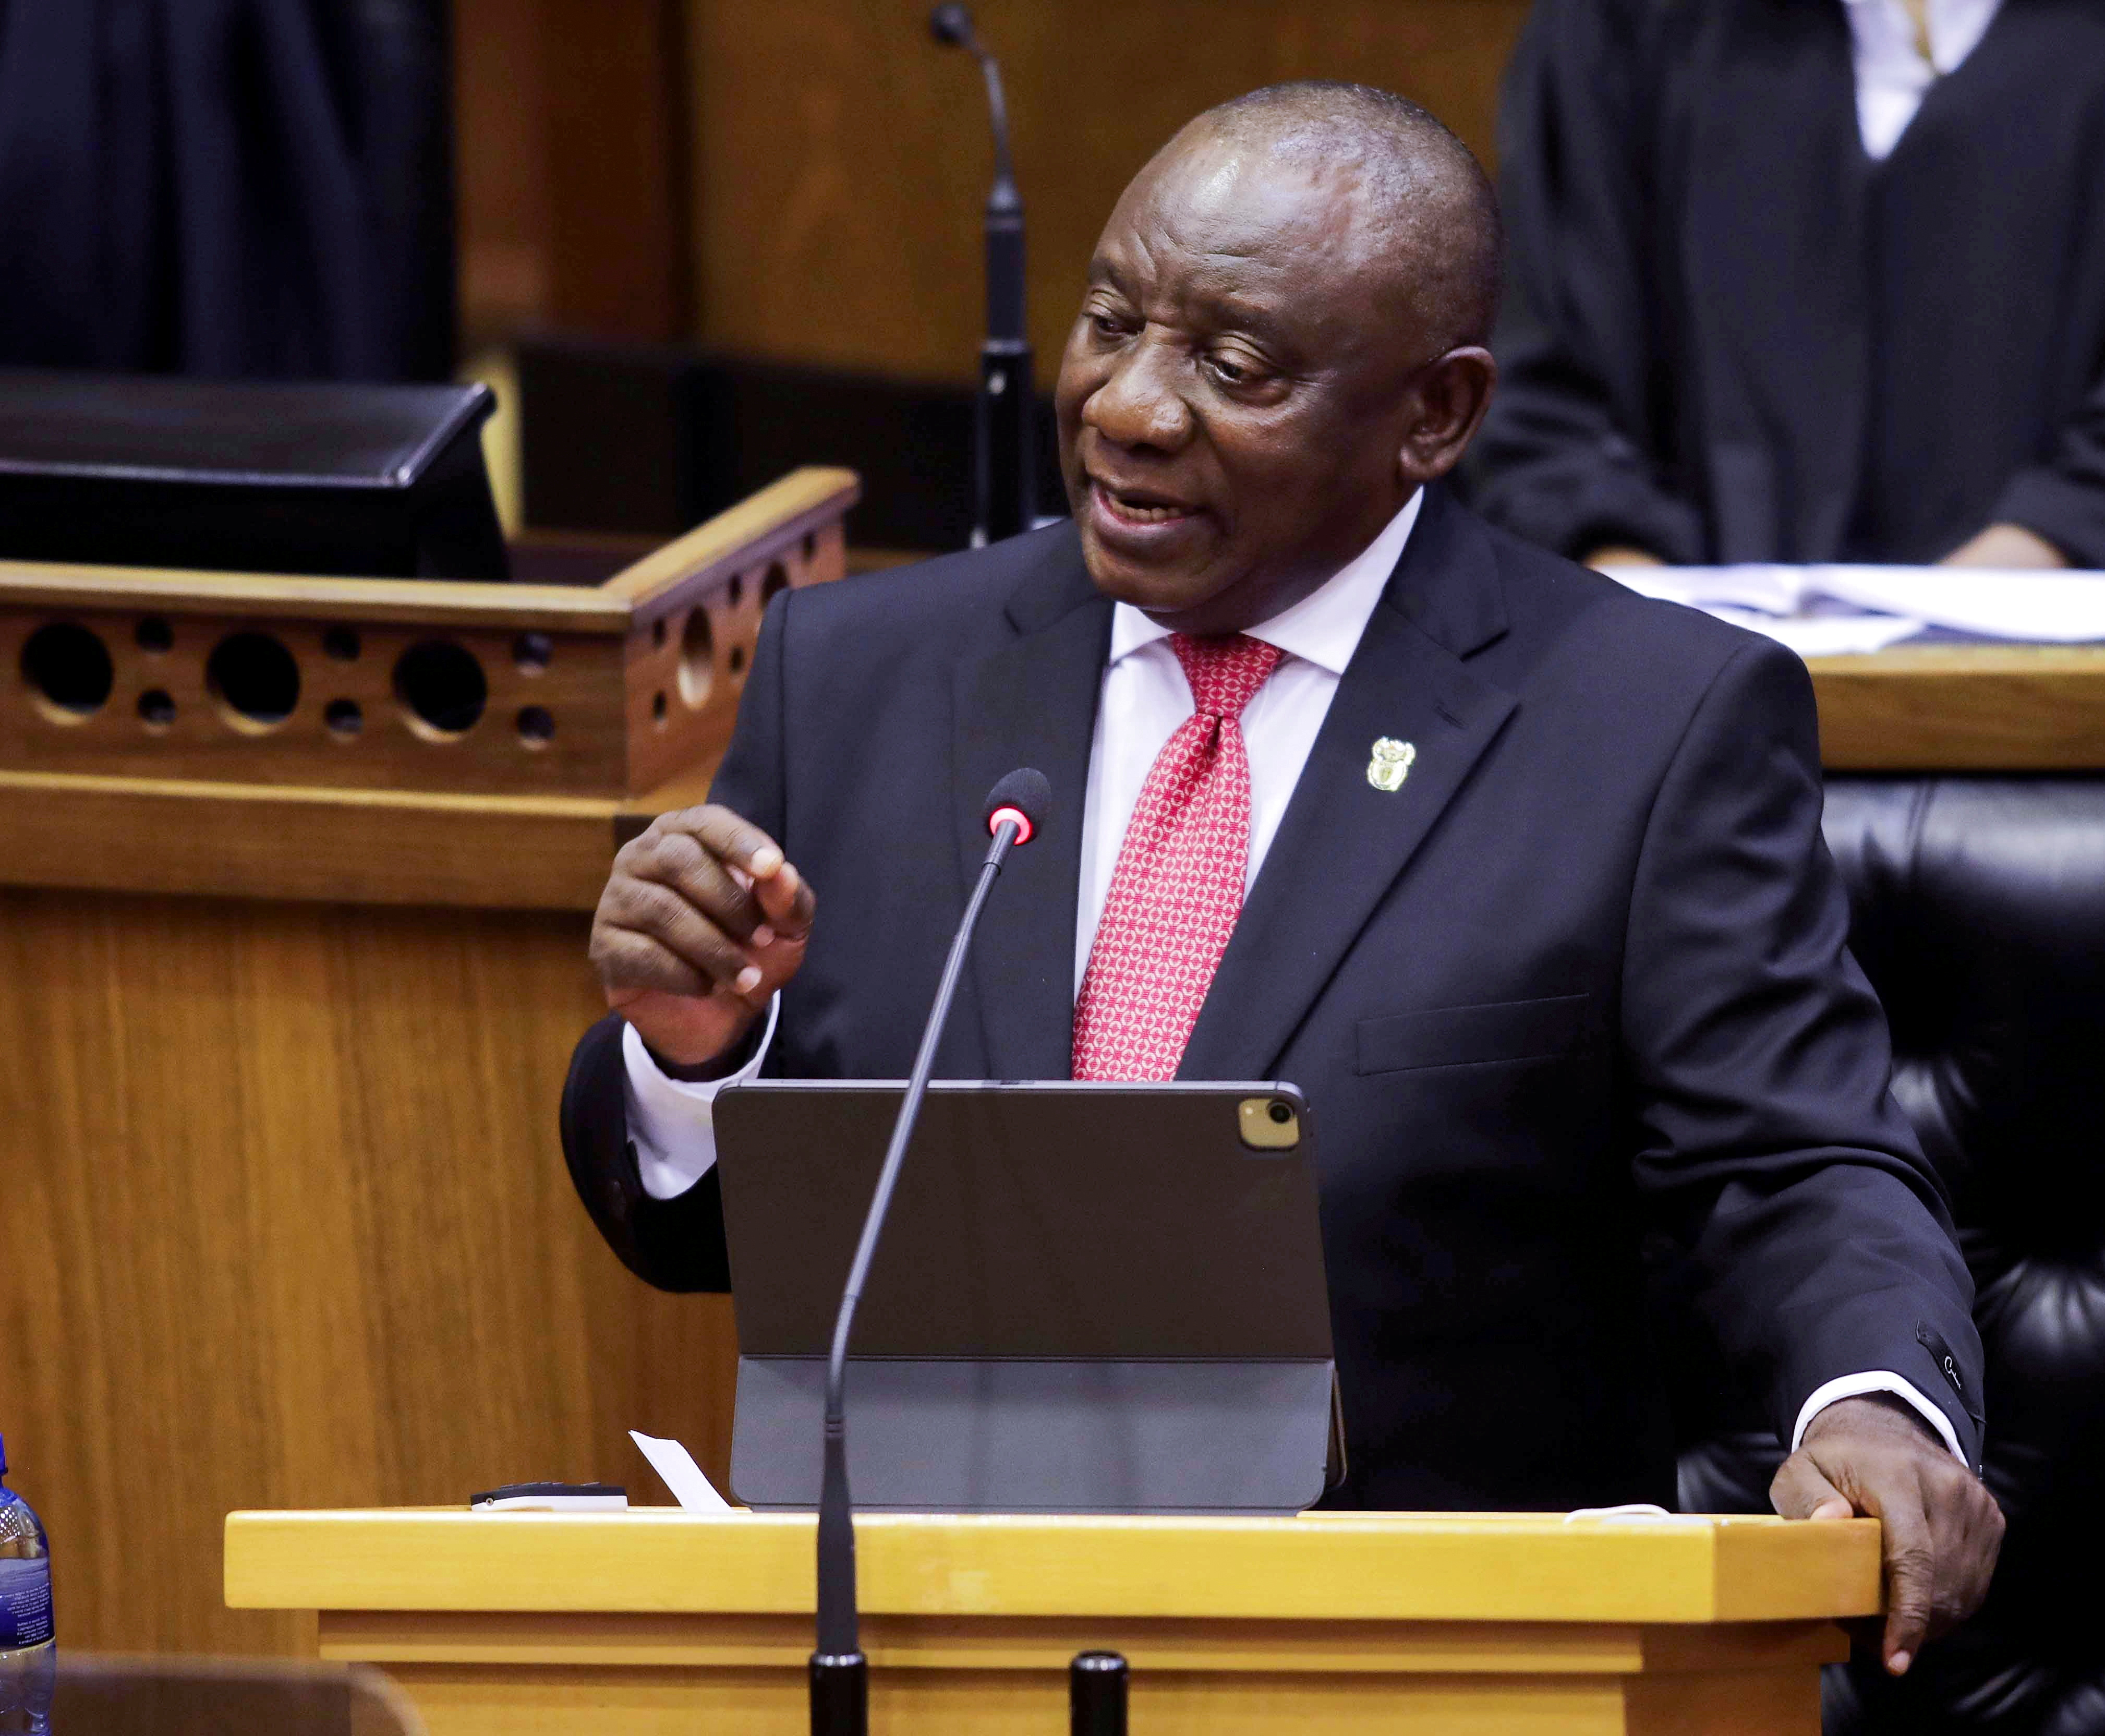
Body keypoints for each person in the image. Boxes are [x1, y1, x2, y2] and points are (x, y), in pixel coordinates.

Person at [561, 83, 2003, 1674]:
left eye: (1234, 367)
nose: (1129, 407)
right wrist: (695, 1059)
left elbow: (1790, 1168)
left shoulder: (1646, 725)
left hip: (1431, 1668)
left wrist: (1874, 1403)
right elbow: (716, 1237)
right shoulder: (859, 676)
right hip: (921, 1650)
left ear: (1435, 415)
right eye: (1112, 324)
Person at [1471, 0, 2105, 575]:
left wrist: (1927, 650)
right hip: (1675, 740)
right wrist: (1655, 638)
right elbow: (1543, 400)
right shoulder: (1626, 26)